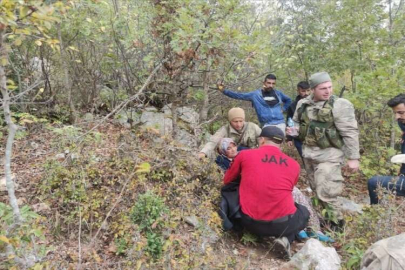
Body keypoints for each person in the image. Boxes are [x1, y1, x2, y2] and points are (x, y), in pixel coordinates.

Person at [223, 126, 310, 259]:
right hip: (282, 225)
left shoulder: (245, 155)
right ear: (280, 143)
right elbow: (289, 188)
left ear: (262, 140)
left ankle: (262, 234)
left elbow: (227, 180)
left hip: (249, 222)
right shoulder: (294, 164)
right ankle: (287, 238)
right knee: (303, 212)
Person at [288, 72, 360, 223]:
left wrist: (353, 157)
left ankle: (337, 225)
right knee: (316, 189)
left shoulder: (340, 105)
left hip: (330, 155)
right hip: (308, 154)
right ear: (313, 89)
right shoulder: (303, 104)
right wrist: (292, 131)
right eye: (322, 88)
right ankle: (325, 220)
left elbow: (350, 132)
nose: (328, 91)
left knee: (327, 191)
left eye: (330, 87)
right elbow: (295, 123)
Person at [218, 74, 291, 132]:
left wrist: (283, 109)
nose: (271, 85)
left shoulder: (278, 93)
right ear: (264, 82)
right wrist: (223, 90)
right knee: (268, 147)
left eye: (273, 83)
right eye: (268, 83)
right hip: (267, 124)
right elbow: (238, 95)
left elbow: (288, 100)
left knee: (277, 148)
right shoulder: (255, 95)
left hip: (280, 123)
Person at [368, 94, 405, 204]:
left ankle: (375, 215)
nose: (397, 117)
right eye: (395, 113)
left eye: (401, 113)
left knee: (373, 183)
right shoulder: (402, 123)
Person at [286, 81, 311, 158]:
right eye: (303, 91)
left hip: (313, 136)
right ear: (298, 91)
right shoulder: (293, 106)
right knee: (304, 157)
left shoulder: (315, 103)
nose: (306, 93)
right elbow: (290, 121)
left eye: (308, 90)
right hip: (299, 137)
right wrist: (289, 138)